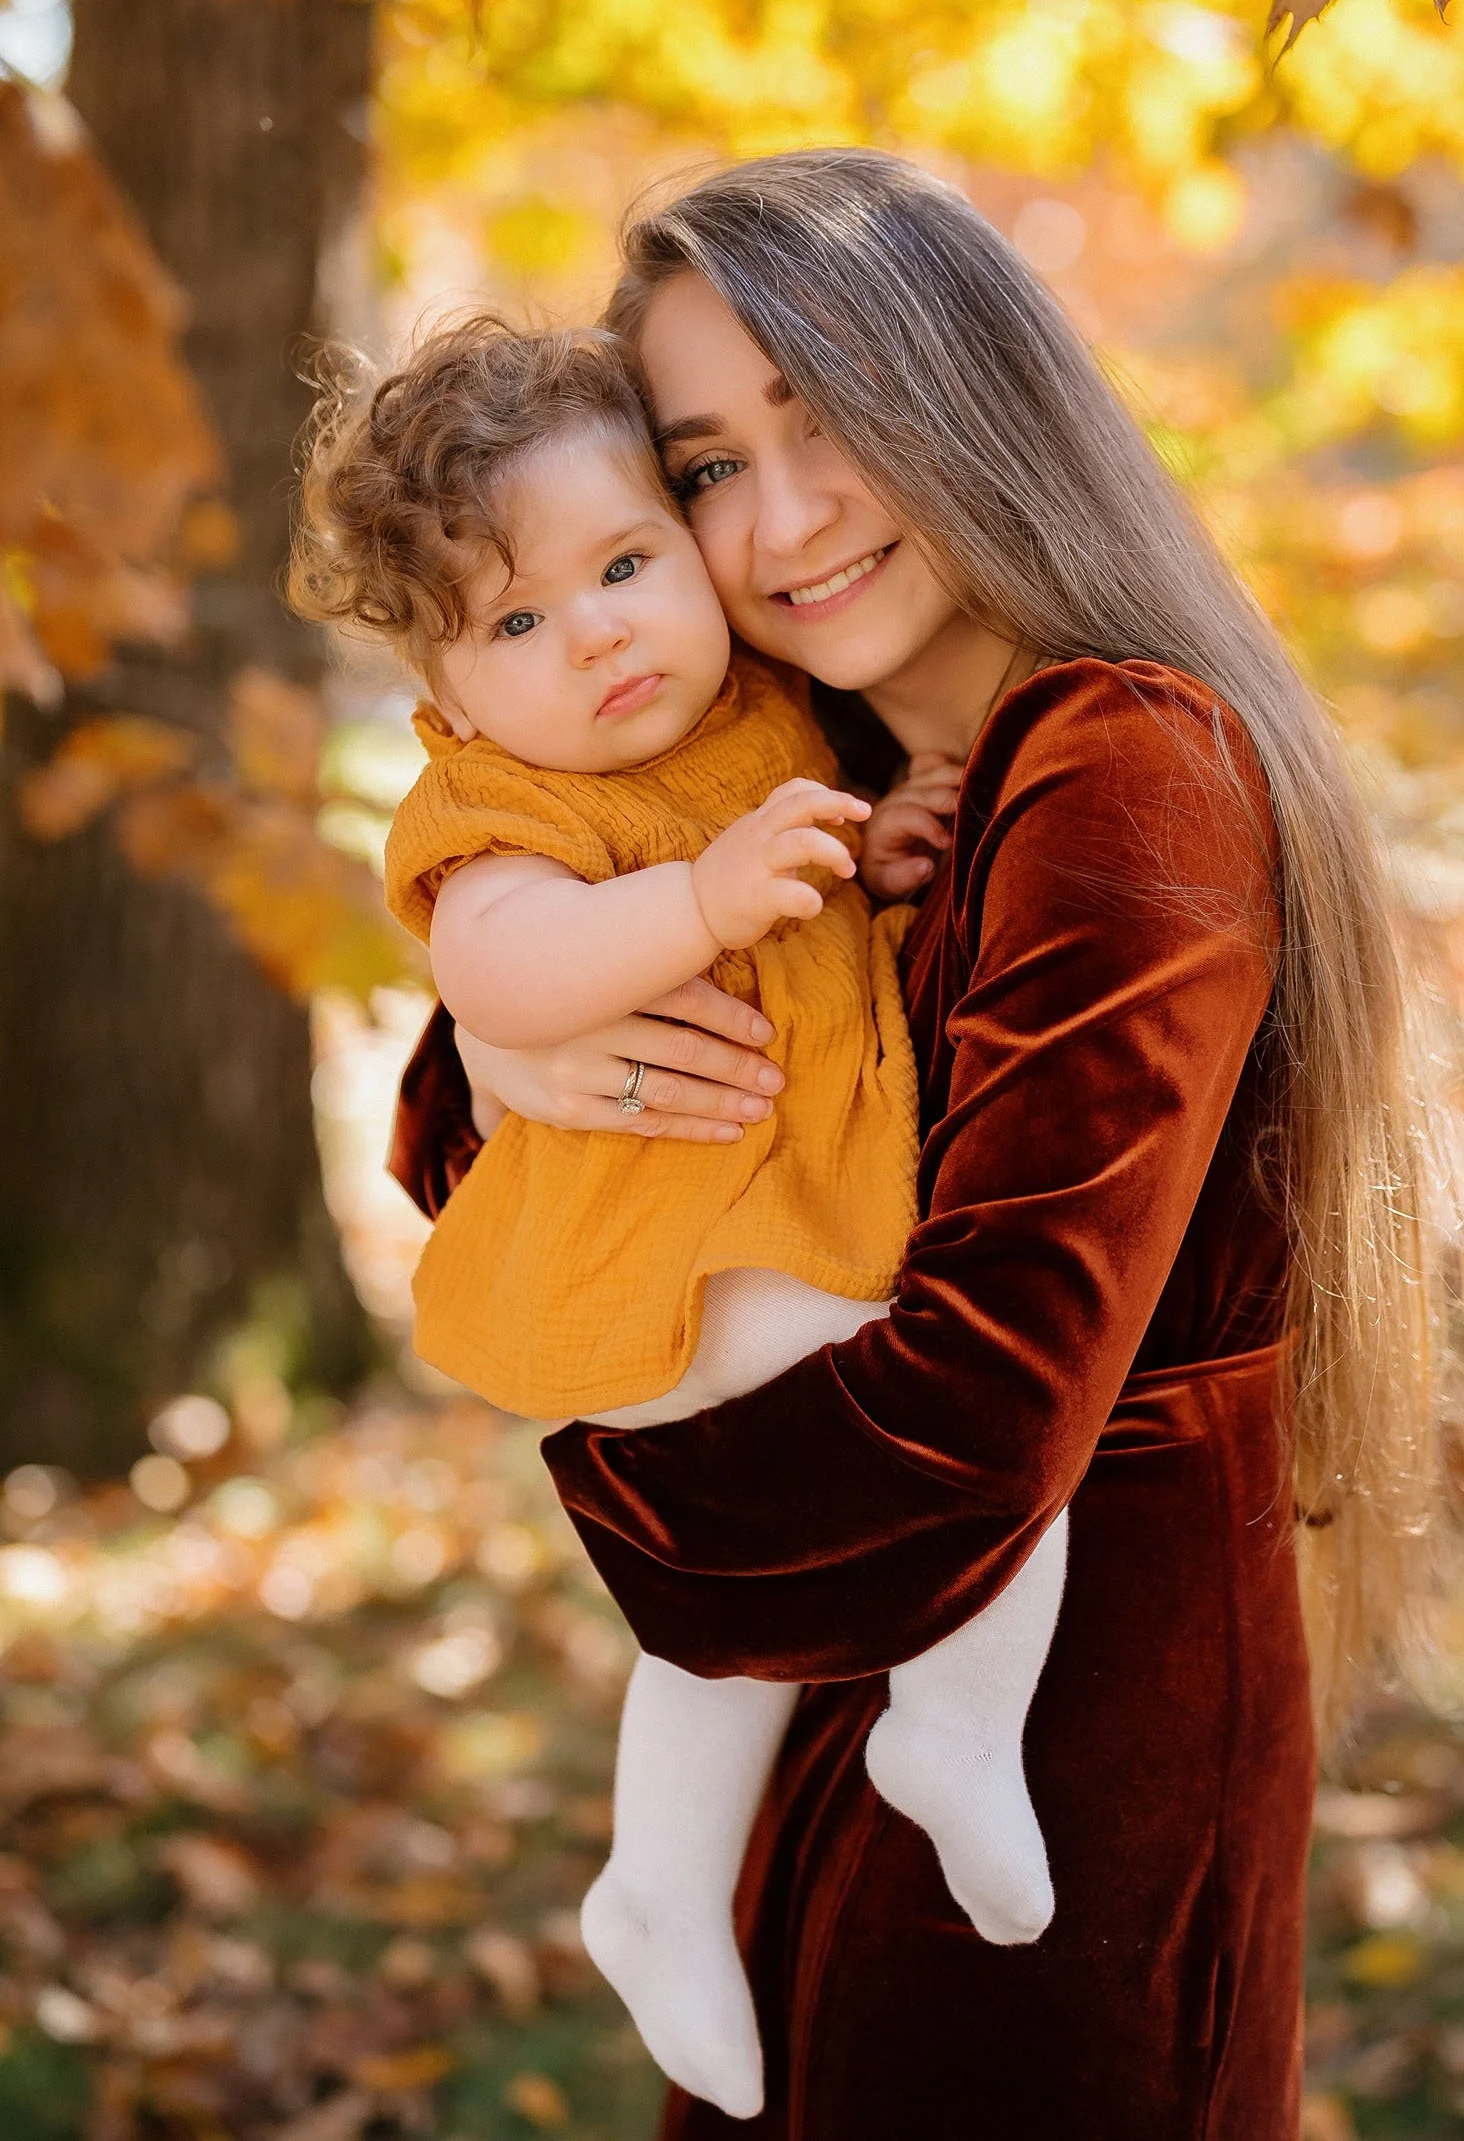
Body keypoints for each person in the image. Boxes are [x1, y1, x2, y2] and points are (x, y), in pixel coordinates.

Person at [390, 149, 1464, 2140]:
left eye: (827, 418)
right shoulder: (824, 780)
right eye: (703, 465)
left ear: (962, 395)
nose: (778, 518)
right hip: (837, 1648)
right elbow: (491, 1130)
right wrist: (507, 1047)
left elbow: (986, 1385)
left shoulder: (1125, 760)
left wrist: (631, 1487)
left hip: (1066, 1725)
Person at [289, 319, 1069, 2121]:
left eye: (626, 565)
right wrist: (702, 902)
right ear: (443, 689)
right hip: (664, 1261)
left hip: (773, 1223)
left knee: (721, 1645)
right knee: (960, 1458)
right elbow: (510, 961)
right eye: (515, 625)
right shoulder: (498, 806)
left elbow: (807, 935)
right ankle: (949, 1728)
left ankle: (655, 1890)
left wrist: (859, 861)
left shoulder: (762, 722)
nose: (600, 635)